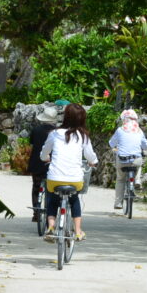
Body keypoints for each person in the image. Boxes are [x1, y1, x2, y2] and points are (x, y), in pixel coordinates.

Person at [40, 103, 98, 242]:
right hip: (75, 180)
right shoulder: (83, 136)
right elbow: (91, 156)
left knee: (52, 199)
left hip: (55, 178)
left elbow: (44, 152)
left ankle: (51, 227)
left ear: (65, 117)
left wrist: (45, 158)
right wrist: (93, 162)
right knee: (74, 200)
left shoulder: (54, 133)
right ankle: (78, 231)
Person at [108, 109, 147, 210]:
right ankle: (137, 180)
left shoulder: (120, 130)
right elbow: (146, 145)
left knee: (120, 179)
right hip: (135, 160)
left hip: (122, 160)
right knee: (139, 164)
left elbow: (111, 143)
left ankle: (118, 203)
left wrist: (116, 148)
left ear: (124, 119)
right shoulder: (139, 131)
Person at [27, 105, 60, 221]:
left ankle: (36, 213)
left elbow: (32, 145)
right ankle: (50, 214)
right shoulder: (57, 132)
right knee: (51, 190)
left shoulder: (36, 130)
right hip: (51, 164)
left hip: (36, 163)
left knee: (36, 187)